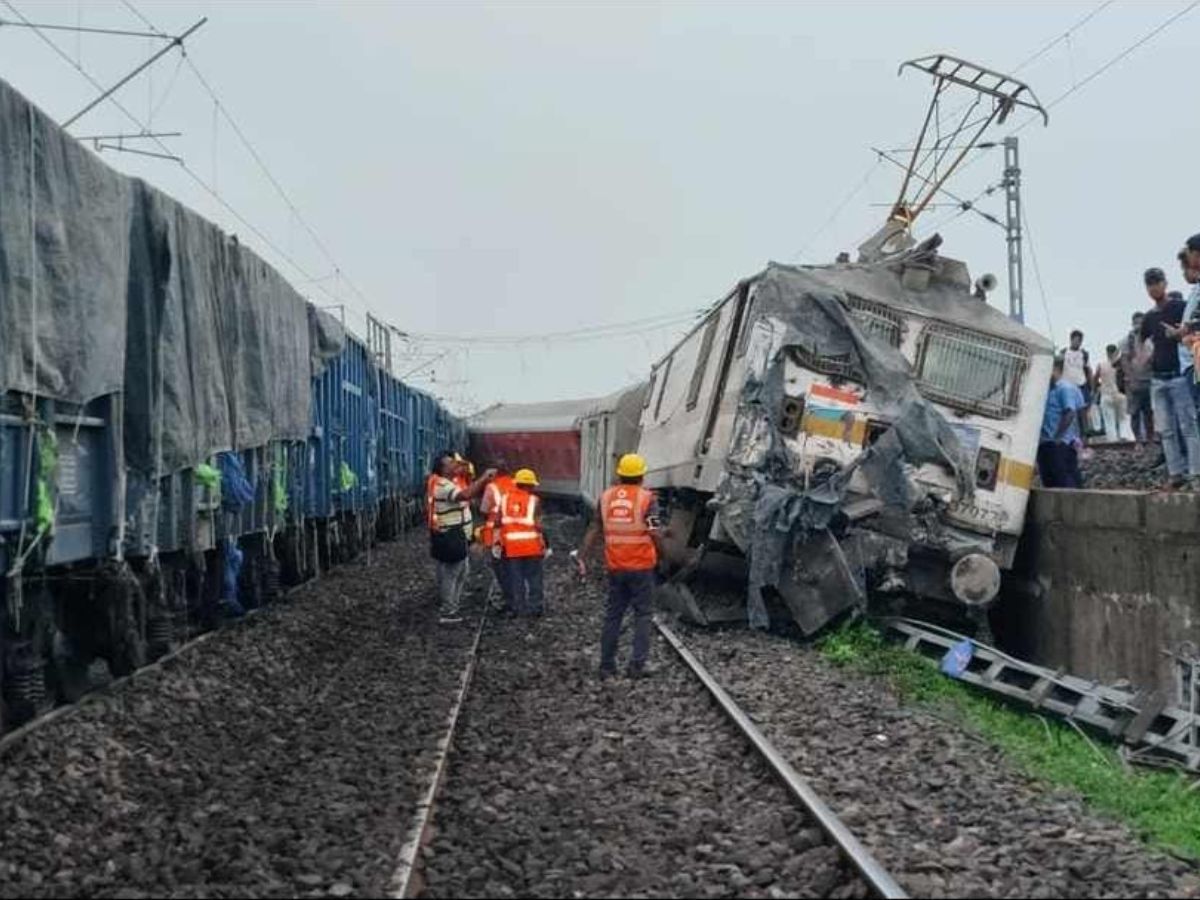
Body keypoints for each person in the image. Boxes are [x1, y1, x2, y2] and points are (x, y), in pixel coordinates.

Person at [576, 453, 664, 680]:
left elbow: (594, 528)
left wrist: (582, 555)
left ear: (619, 475)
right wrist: (664, 553)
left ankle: (606, 666)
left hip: (616, 566)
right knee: (643, 615)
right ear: (642, 476)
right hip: (642, 566)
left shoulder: (606, 498)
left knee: (613, 615)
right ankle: (637, 666)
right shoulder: (648, 499)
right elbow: (654, 531)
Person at [1140, 266, 1200, 489]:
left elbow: (1193, 330)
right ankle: (1176, 473)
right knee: (1165, 429)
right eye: (1150, 283)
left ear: (1165, 283)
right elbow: (1142, 343)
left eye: (1157, 281)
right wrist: (1143, 357)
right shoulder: (1149, 318)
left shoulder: (1180, 308)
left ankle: (1195, 473)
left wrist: (1179, 337)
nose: (1154, 287)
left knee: (1188, 426)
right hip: (1158, 378)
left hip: (1178, 376)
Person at [427, 453, 495, 624]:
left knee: (461, 570)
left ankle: (452, 606)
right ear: (442, 469)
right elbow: (464, 496)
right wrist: (484, 479)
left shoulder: (449, 483)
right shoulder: (442, 485)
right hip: (450, 534)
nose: (454, 465)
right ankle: (448, 611)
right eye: (450, 463)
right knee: (452, 572)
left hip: (455, 534)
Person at [497, 468, 546, 616]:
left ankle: (518, 607)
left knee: (515, 578)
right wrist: (544, 541)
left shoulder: (504, 499)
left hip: (512, 547)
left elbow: (499, 521)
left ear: (516, 483)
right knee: (534, 578)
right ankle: (535, 607)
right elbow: (538, 525)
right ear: (530, 485)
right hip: (531, 547)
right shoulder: (534, 501)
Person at [1037, 358, 1086, 488]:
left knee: (1061, 480)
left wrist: (1057, 437)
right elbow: (1081, 411)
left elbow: (1070, 413)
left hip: (1058, 444)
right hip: (1049, 442)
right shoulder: (1051, 388)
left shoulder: (1064, 388)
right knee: (1052, 480)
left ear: (1056, 368)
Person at [479, 462, 517, 612]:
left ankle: (509, 600)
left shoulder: (492, 487)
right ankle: (518, 597)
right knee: (514, 567)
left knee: (500, 567)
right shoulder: (517, 484)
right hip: (515, 533)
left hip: (498, 536)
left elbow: (484, 510)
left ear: (495, 474)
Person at [1122, 311, 1154, 444]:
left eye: (1141, 322)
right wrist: (1130, 378)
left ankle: (1150, 439)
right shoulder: (1127, 340)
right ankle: (1138, 441)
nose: (1139, 325)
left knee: (1149, 413)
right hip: (1134, 382)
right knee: (1135, 413)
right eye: (1136, 322)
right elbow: (1124, 360)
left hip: (1149, 380)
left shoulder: (1151, 338)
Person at [1093, 344, 1129, 441]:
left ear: (1107, 352)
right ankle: (1125, 436)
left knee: (1109, 421)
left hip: (1106, 395)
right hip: (1121, 394)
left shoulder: (1101, 365)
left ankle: (1112, 440)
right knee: (1123, 418)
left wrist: (1096, 388)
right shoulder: (1121, 365)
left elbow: (1095, 378)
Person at [1060, 329, 1093, 404]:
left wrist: (1091, 388)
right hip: (1067, 386)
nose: (1079, 343)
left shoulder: (1084, 354)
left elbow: (1089, 371)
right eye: (1077, 340)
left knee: (1084, 407)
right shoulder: (1064, 353)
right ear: (1071, 340)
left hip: (1081, 385)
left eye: (1080, 341)